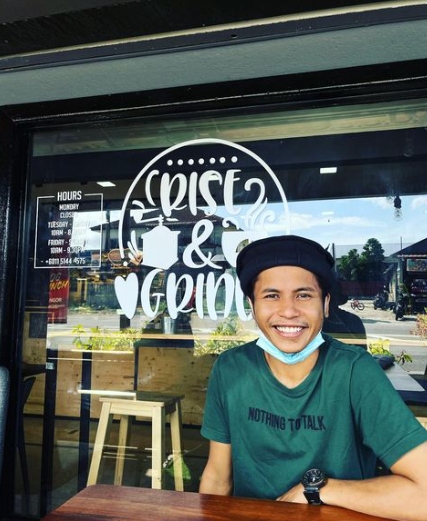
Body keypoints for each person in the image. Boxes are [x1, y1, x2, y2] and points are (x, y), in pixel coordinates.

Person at [199, 235, 427, 521]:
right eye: (271, 296)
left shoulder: (355, 372)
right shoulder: (231, 368)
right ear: (252, 305)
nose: (289, 311)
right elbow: (218, 478)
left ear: (326, 303)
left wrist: (319, 490)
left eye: (304, 295)